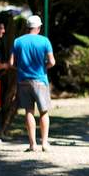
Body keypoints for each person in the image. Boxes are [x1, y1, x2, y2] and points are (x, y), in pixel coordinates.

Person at [9, 15, 55, 152]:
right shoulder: (44, 41)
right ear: (39, 28)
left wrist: (21, 69)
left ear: (27, 27)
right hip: (40, 80)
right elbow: (52, 62)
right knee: (44, 112)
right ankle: (45, 143)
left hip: (23, 80)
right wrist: (44, 67)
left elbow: (11, 63)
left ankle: (32, 144)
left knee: (29, 111)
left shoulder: (18, 41)